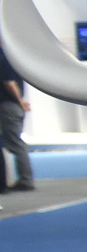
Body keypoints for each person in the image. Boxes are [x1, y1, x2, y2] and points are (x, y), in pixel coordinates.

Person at [0, 58, 31, 192]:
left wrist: (19, 100)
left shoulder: (3, 60)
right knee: (15, 143)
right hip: (14, 106)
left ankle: (25, 180)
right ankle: (24, 179)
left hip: (9, 105)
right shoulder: (13, 58)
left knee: (15, 144)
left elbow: (9, 83)